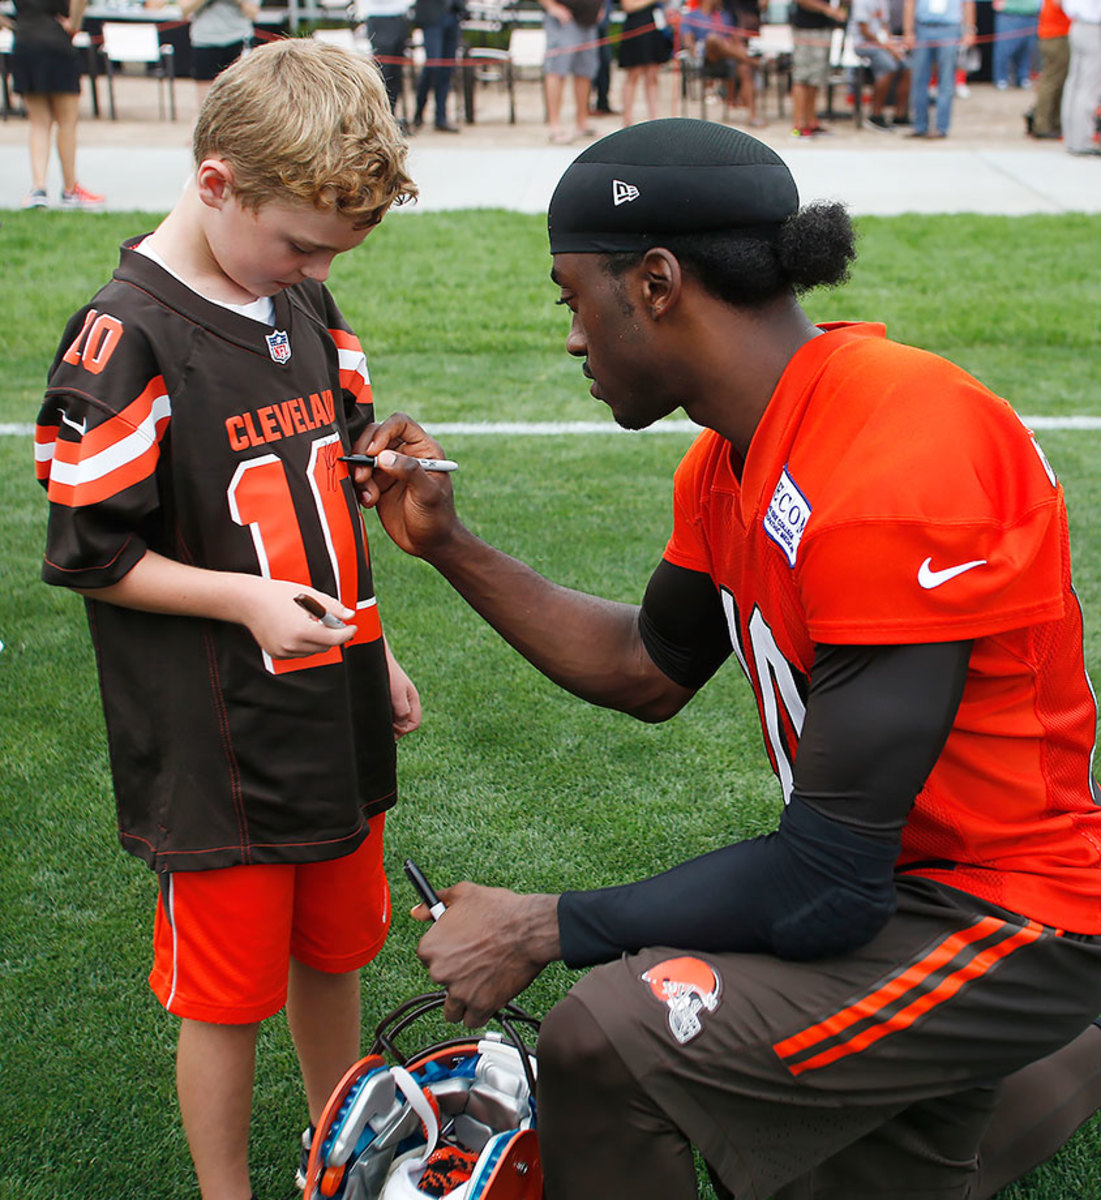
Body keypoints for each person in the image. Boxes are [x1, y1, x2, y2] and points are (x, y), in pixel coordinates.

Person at [349, 118, 1101, 1199]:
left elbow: (827, 885)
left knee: (606, 1037)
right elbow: (646, 667)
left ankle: (1052, 1020)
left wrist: (542, 925)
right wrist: (450, 548)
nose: (571, 339)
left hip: (1002, 914)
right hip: (907, 889)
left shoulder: (903, 451)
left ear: (655, 281)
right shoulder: (733, 454)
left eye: (572, 298)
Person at [34, 39, 419, 1200]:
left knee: (338, 947)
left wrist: (378, 641)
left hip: (327, 692)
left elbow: (334, 499)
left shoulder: (301, 296)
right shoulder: (125, 340)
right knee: (227, 989)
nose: (309, 266)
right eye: (299, 240)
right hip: (217, 739)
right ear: (216, 184)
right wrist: (241, 599)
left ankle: (339, 1154)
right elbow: (92, 553)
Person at [8, 0, 103, 209]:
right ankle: (70, 188)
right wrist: (74, 24)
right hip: (56, 37)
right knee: (67, 120)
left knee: (38, 121)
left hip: (24, 37)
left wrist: (9, 24)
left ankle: (38, 187)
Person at [903, 0, 975, 135]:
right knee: (919, 78)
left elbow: (968, 4)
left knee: (946, 79)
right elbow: (909, 3)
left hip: (949, 28)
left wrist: (969, 30)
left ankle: (941, 127)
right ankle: (920, 125)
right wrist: (908, 31)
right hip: (923, 27)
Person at [539, 0, 602, 142]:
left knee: (585, 72)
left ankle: (582, 123)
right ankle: (555, 126)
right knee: (556, 71)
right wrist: (551, 6)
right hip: (564, 19)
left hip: (589, 21)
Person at [178, 0, 259, 109]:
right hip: (205, 40)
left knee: (240, 97)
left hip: (238, 38)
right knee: (205, 103)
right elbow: (183, 10)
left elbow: (253, 13)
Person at [790, 0, 848, 136]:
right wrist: (828, 9)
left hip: (823, 27)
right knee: (801, 77)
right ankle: (798, 125)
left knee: (815, 78)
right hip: (806, 30)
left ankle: (811, 122)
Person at [617, 0, 673, 126]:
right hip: (636, 25)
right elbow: (628, 6)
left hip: (654, 25)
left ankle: (654, 117)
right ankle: (627, 119)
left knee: (652, 75)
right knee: (633, 73)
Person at [360, 0, 413, 129]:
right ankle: (379, 118)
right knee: (383, 72)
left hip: (400, 16)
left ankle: (391, 115)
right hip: (380, 16)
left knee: (396, 73)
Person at [412, 0, 464, 132]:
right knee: (432, 67)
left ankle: (441, 117)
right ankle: (418, 114)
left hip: (453, 14)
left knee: (446, 70)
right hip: (432, 16)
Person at [1060, 0, 1101, 153]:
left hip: (1077, 25)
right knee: (1089, 87)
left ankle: (1072, 138)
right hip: (1093, 27)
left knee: (1074, 83)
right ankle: (1082, 141)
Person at [1027, 0, 1071, 136]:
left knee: (1057, 81)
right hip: (1056, 35)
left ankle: (1052, 122)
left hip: (1055, 34)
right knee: (1052, 81)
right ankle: (1042, 124)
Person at [992, 0, 1040, 89]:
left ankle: (1022, 77)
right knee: (1004, 50)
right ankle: (1001, 78)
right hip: (1009, 15)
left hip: (1031, 15)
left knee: (1026, 49)